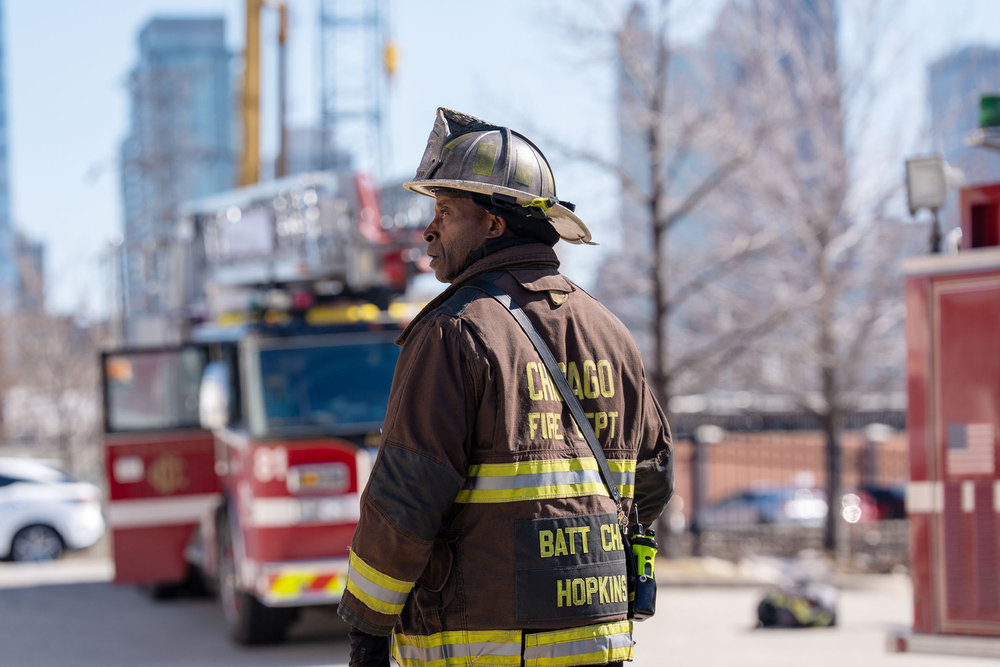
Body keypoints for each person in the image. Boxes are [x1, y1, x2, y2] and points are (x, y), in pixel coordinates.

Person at [338, 108, 673, 667]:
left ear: (494, 226)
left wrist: (367, 633)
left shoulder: (454, 332)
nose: (429, 230)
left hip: (481, 645)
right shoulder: (612, 333)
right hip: (599, 643)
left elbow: (406, 499)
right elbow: (653, 481)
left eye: (446, 211)